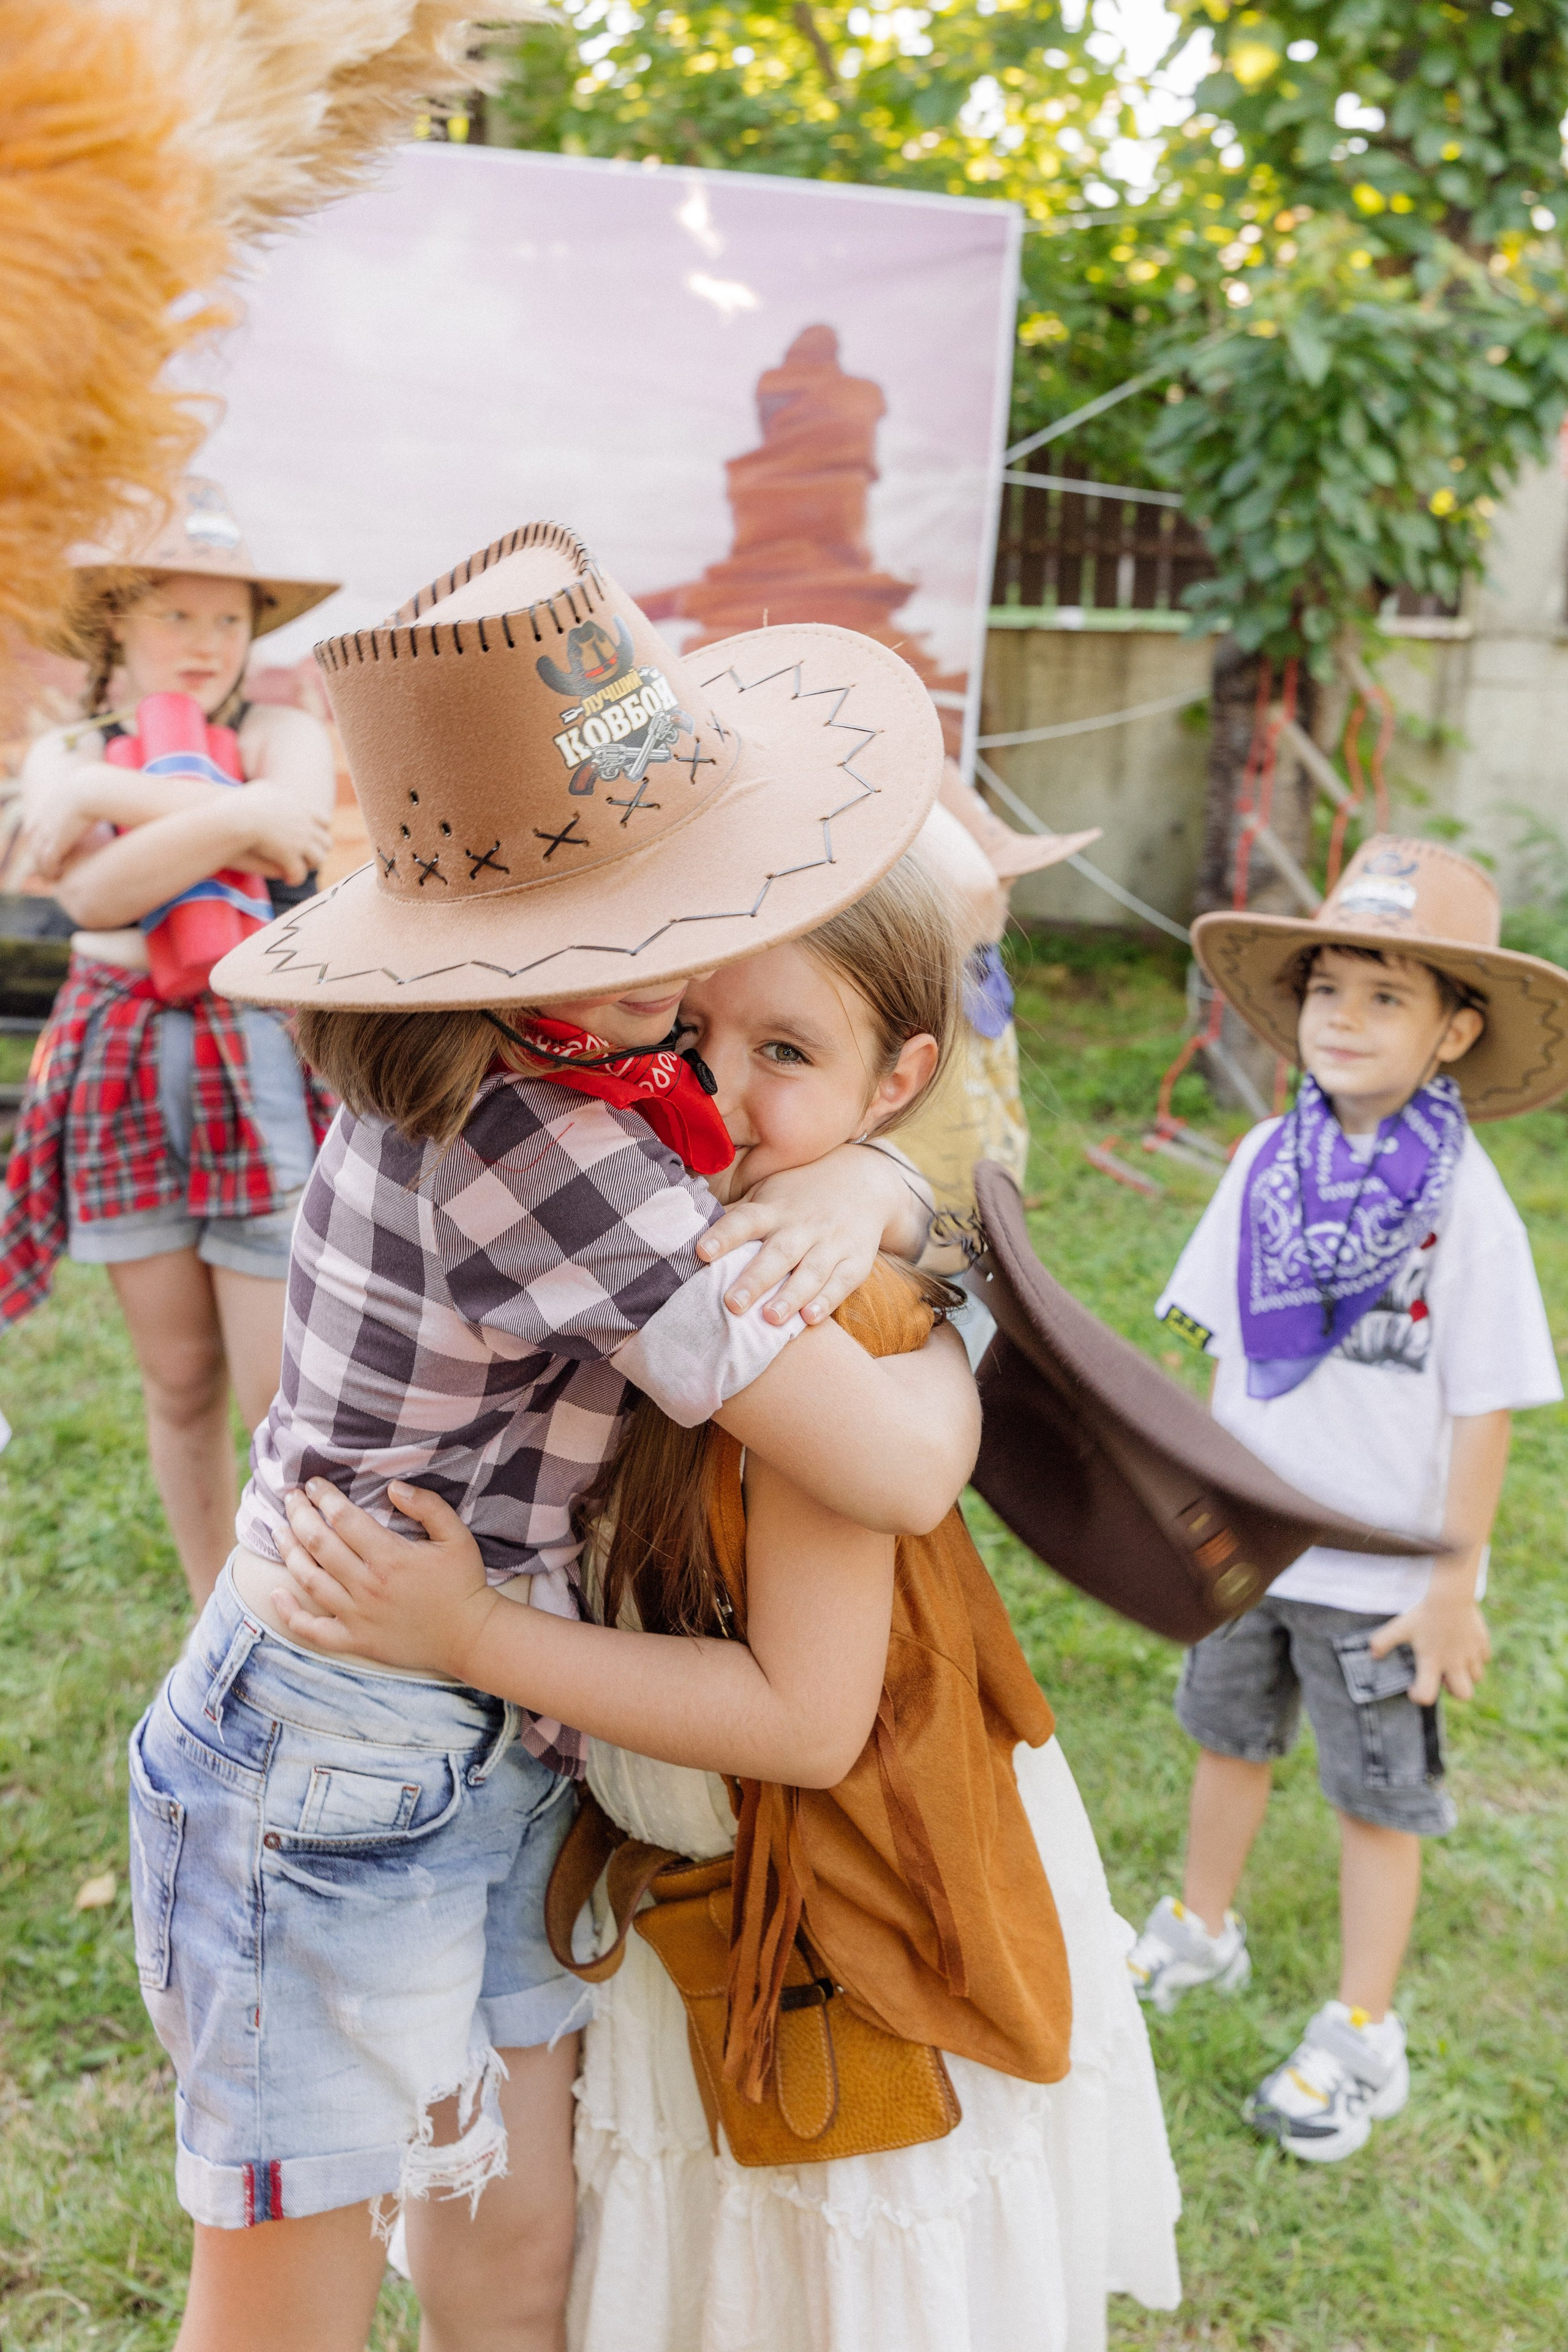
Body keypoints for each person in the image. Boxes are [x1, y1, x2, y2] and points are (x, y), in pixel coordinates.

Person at [127, 524, 987, 2352]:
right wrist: (920, 1276)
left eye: (668, 903)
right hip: (339, 1741)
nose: (652, 978)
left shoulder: (569, 1072)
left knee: (518, 2251)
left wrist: (881, 1182)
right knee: (290, 2299)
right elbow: (902, 1466)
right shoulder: (548, 1141)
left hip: (481, 1715)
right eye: (585, 939)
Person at [272, 846, 1183, 2352]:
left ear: (894, 1076)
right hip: (683, 1898)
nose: (722, 1095)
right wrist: (886, 1187)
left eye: (788, 1056)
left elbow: (809, 1717)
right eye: (697, 1037)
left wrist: (476, 1638)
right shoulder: (659, 1231)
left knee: (802, 2295)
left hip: (832, 1922)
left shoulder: (799, 1300)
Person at [1127, 837, 1567, 2162]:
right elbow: (1206, 1348)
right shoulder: (1265, 1156)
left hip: (1379, 1578)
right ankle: (1199, 1929)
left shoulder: (1464, 1209)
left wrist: (1449, 1585)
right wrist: (1183, 1503)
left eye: (1388, 996)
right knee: (1225, 1739)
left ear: (1453, 1032)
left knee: (1377, 1799)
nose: (1346, 1020)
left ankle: (1360, 2028)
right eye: (1328, 990)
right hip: (1248, 1550)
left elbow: (1479, 1402)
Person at [1, 478, 340, 1603]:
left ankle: (287, 1613)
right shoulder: (70, 748)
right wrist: (231, 816)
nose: (206, 643)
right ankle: (213, 1611)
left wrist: (119, 798)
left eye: (229, 618)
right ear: (116, 625)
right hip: (120, 1069)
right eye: (175, 615)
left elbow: (292, 839)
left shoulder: (276, 730)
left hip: (252, 1061)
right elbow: (93, 900)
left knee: (279, 1390)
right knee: (179, 1380)